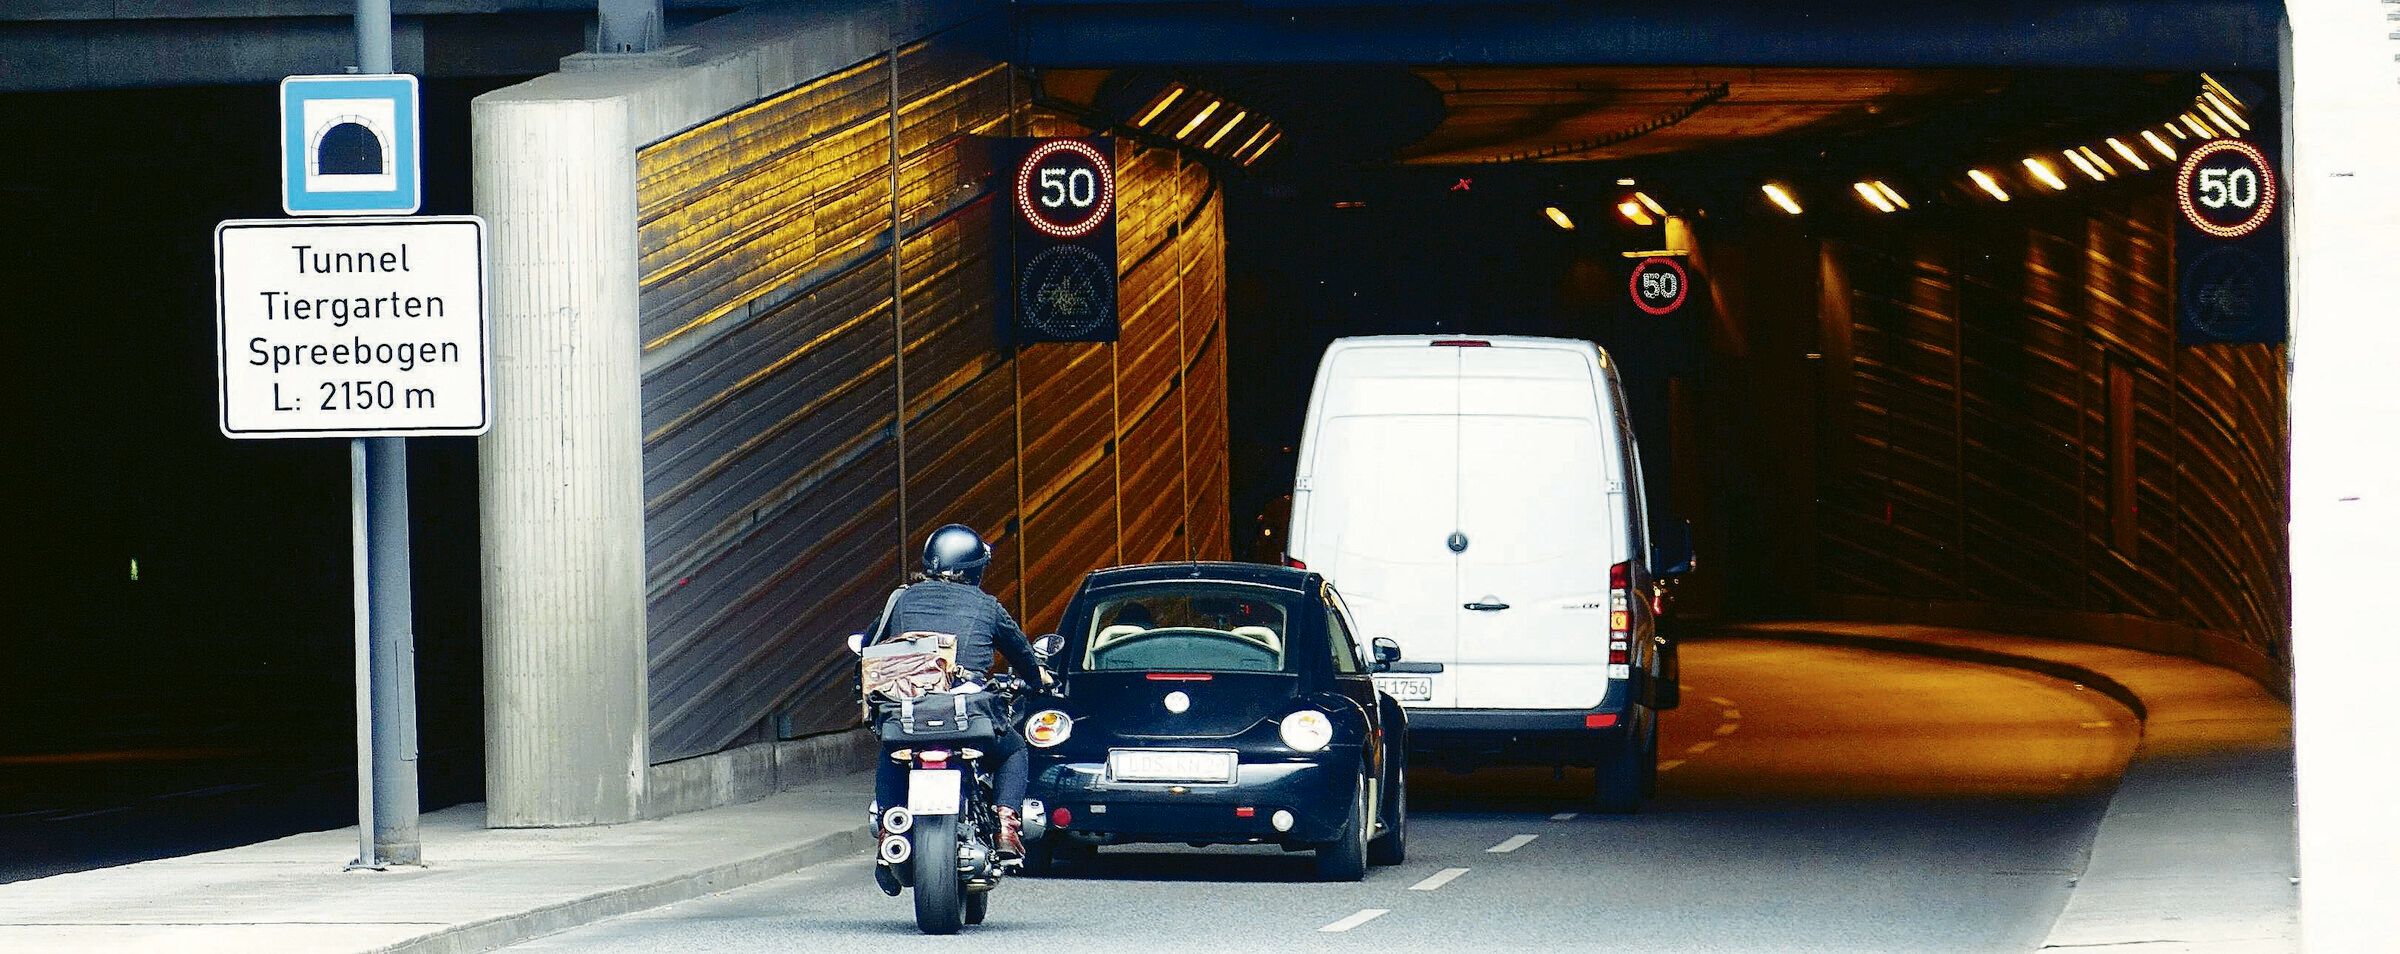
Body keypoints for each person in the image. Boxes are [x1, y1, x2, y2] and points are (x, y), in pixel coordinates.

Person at [864, 524, 1051, 892]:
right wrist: (1038, 678)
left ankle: (890, 830)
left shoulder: (901, 599)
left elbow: (871, 645)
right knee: (1013, 749)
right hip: (967, 715)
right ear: (974, 568)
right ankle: (1005, 823)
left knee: (890, 753)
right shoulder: (986, 605)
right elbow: (1021, 652)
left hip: (911, 713)